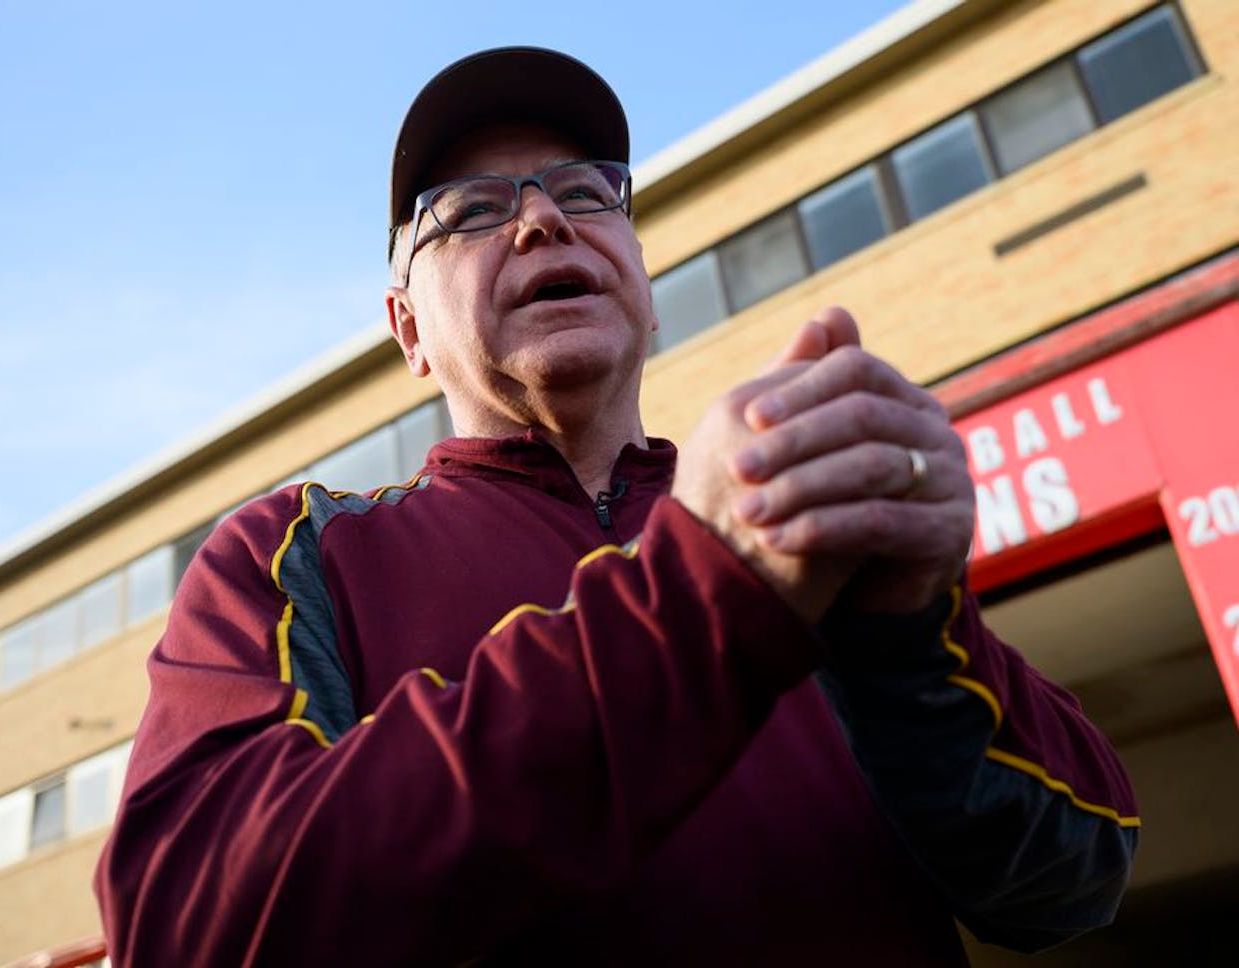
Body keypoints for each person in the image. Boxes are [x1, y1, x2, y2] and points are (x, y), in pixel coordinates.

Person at [95, 48, 1138, 966]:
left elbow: (1075, 877)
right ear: (407, 328)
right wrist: (705, 593)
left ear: (637, 271)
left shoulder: (800, 530)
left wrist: (916, 629)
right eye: (469, 210)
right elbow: (197, 925)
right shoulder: (298, 556)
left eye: (587, 194)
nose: (545, 217)